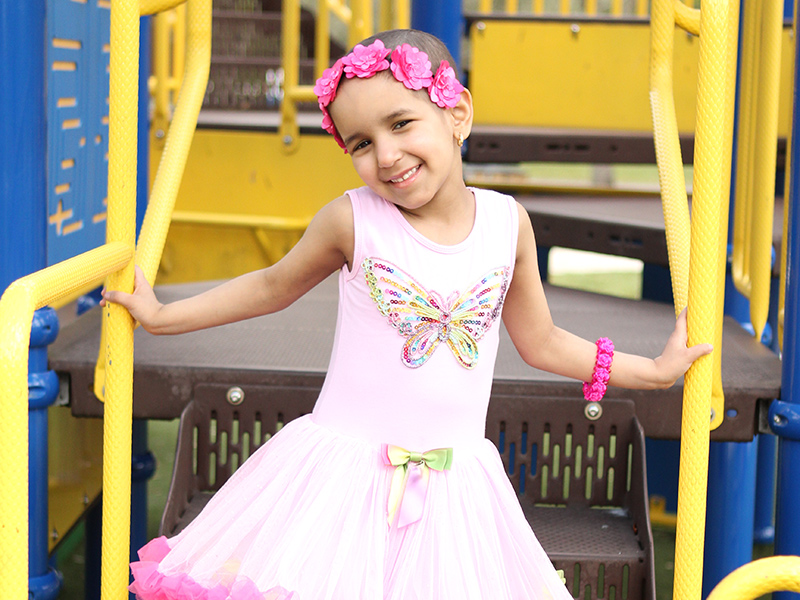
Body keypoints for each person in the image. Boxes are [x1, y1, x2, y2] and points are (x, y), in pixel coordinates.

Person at [105, 29, 712, 600]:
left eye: (400, 124)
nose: (387, 155)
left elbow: (543, 341)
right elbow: (271, 287)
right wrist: (163, 316)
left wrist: (655, 371)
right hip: (342, 481)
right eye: (362, 144)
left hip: (454, 493)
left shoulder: (507, 225)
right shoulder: (353, 219)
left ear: (458, 114)